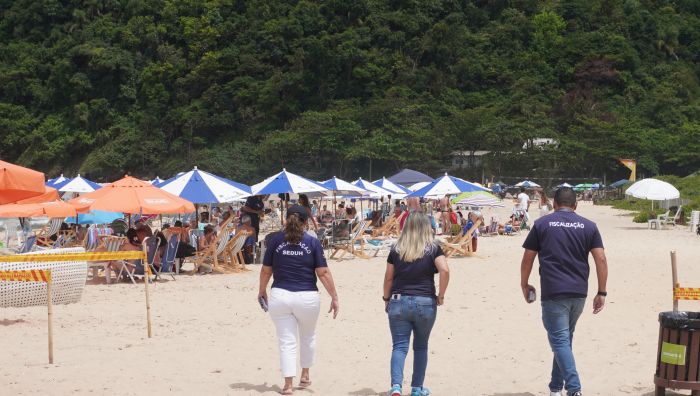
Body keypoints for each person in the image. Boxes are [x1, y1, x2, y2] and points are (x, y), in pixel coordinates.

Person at [520, 187, 608, 396]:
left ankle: (574, 389)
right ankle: (555, 388)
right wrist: (602, 292)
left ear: (555, 204)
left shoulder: (542, 224)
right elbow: (601, 259)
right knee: (565, 341)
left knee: (560, 341)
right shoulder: (589, 226)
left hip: (554, 292)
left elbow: (528, 258)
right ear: (575, 205)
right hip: (579, 292)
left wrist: (524, 284)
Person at [258, 205, 339, 395]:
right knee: (308, 336)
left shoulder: (275, 241)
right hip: (307, 297)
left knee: (287, 341)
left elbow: (266, 270)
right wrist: (334, 296)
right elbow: (323, 273)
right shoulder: (312, 242)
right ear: (305, 222)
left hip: (280, 295)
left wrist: (261, 291)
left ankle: (287, 385)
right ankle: (305, 374)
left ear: (286, 220)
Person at [383, 213, 449, 396]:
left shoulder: (396, 248)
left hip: (398, 300)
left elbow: (388, 278)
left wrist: (386, 299)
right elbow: (444, 270)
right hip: (425, 301)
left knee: (399, 346)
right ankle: (417, 388)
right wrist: (441, 295)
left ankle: (396, 387)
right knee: (421, 346)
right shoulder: (433, 248)